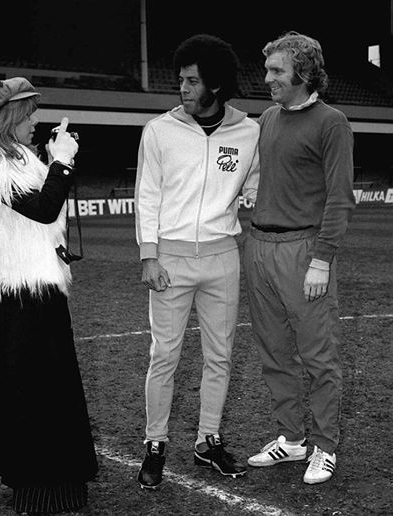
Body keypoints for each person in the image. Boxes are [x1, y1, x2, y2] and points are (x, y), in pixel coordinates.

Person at [0, 77, 98, 514]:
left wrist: (53, 160)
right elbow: (44, 207)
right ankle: (41, 484)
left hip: (35, 288)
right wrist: (63, 163)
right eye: (30, 112)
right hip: (24, 293)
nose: (35, 120)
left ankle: (39, 476)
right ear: (12, 116)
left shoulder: (11, 158)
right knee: (39, 389)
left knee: (38, 387)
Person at [134, 34, 260, 489]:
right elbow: (146, 195)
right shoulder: (160, 131)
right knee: (163, 355)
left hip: (223, 257)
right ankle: (155, 444)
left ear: (217, 84)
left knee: (220, 356)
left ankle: (208, 441)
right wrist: (149, 255)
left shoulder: (250, 132)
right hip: (169, 259)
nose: (182, 89)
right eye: (180, 80)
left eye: (191, 81)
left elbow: (257, 184)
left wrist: (254, 196)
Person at [243, 32, 356, 484]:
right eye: (267, 68)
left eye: (276, 71)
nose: (267, 77)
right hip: (259, 248)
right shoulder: (268, 117)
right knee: (274, 353)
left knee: (318, 357)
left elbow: (340, 196)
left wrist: (322, 259)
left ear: (304, 74)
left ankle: (325, 447)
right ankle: (291, 439)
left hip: (304, 252)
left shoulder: (332, 122)